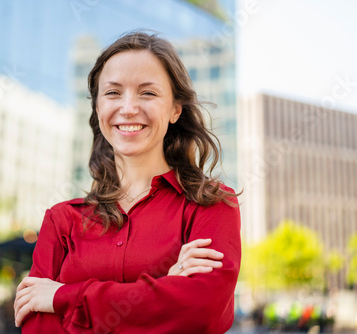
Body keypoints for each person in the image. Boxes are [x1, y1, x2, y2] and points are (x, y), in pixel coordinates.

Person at [14, 31, 241, 334]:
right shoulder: (61, 221)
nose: (129, 107)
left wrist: (61, 297)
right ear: (97, 108)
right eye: (113, 93)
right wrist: (165, 289)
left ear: (176, 109)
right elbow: (37, 326)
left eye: (148, 93)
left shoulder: (211, 204)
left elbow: (202, 310)